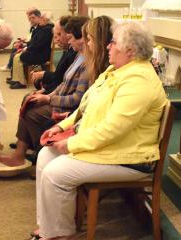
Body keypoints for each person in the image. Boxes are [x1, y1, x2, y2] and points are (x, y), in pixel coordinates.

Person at [35, 21, 167, 240]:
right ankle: (50, 227)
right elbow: (85, 106)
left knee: (55, 173)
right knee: (45, 155)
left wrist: (71, 144)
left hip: (130, 157)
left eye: (113, 43)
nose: (108, 46)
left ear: (130, 51)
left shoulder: (138, 81)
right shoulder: (116, 70)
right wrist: (62, 127)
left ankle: (58, 234)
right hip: (113, 148)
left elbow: (112, 129)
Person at [0, 16, 89, 167]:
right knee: (30, 101)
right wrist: (48, 95)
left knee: (32, 112)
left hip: (70, 107)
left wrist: (48, 98)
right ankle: (24, 151)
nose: (67, 41)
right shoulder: (78, 54)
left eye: (68, 37)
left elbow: (77, 98)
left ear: (83, 39)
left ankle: (37, 153)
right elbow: (63, 82)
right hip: (60, 97)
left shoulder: (86, 61)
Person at [31, 16, 77, 94]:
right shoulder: (68, 50)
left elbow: (62, 80)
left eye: (59, 34)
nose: (56, 40)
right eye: (55, 36)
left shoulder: (73, 53)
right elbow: (59, 76)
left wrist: (46, 92)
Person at [9, 11, 54, 89]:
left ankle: (22, 83)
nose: (40, 20)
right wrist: (25, 47)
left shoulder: (47, 29)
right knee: (17, 55)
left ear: (46, 20)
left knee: (19, 57)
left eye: (42, 18)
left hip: (42, 55)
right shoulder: (43, 28)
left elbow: (38, 45)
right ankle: (18, 79)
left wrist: (26, 49)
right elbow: (34, 42)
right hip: (38, 52)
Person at [0, 7, 41, 72]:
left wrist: (24, 45)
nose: (30, 19)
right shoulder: (34, 26)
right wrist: (24, 41)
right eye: (29, 18)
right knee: (16, 45)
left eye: (33, 17)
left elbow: (36, 43)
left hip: (35, 51)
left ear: (39, 17)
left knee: (16, 51)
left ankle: (11, 68)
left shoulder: (41, 28)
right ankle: (11, 67)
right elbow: (32, 39)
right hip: (31, 46)